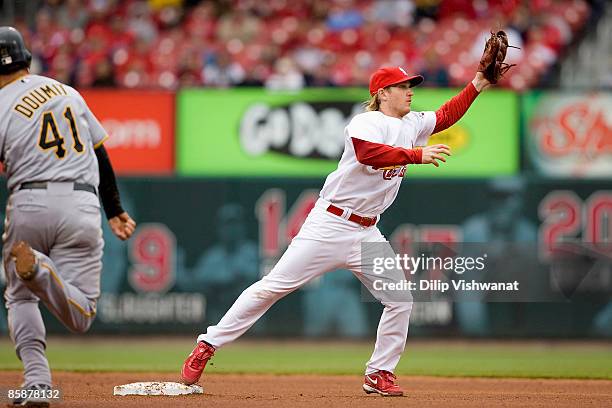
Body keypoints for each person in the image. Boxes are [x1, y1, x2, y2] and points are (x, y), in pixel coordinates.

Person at [180, 65, 492, 396]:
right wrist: (416, 155)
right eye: (402, 86)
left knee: (400, 298)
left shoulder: (413, 122)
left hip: (367, 231)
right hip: (330, 223)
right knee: (272, 287)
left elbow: (446, 114)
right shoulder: (365, 122)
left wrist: (478, 83)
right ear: (382, 94)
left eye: (410, 85)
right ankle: (207, 345)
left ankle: (379, 373)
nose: (410, 91)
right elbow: (368, 154)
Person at [0, 26, 136, 406]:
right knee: (82, 317)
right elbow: (100, 152)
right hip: (82, 204)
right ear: (26, 58)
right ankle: (40, 271)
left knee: (20, 297)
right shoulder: (66, 91)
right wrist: (116, 210)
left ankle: (38, 382)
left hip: (28, 202)